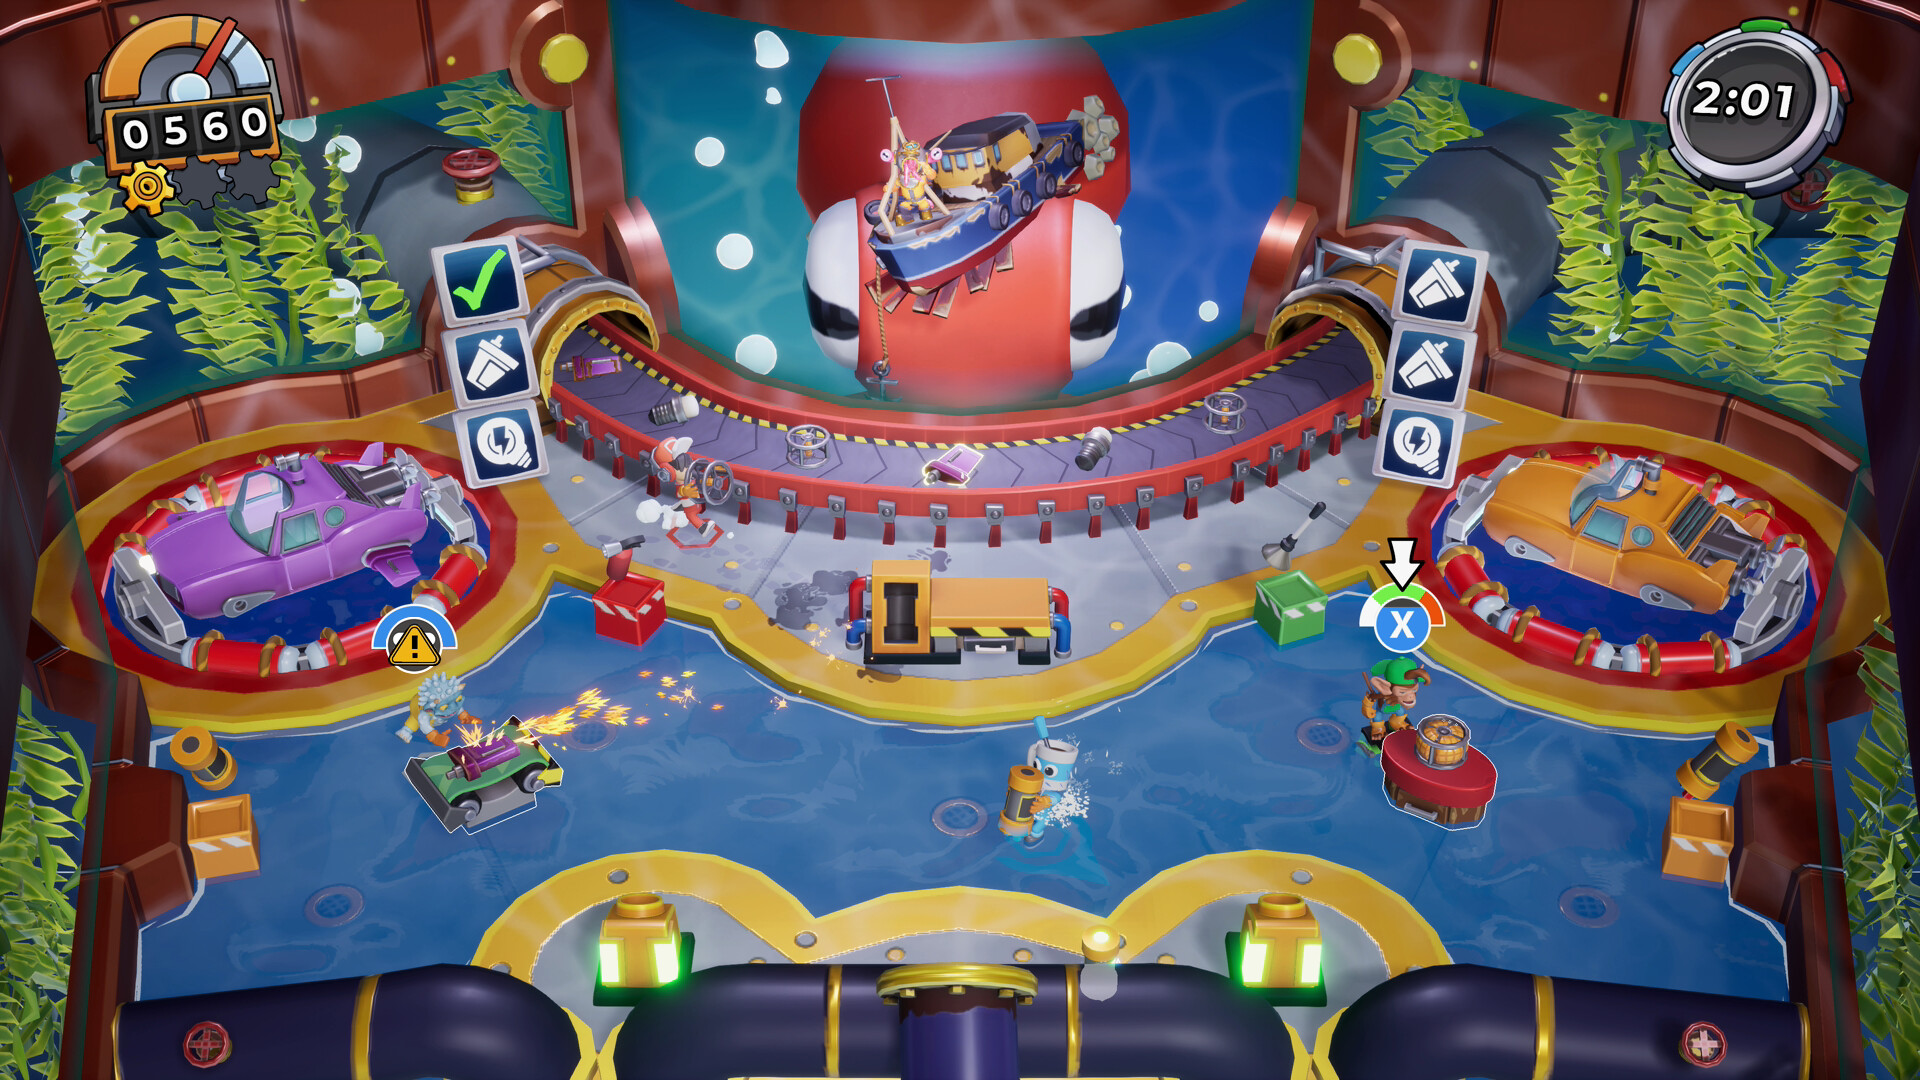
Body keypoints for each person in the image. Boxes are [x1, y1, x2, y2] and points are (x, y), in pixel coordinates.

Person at [1361, 656, 1430, 751]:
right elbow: (1371, 698)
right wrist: (1367, 706)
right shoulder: (1383, 694)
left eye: (1414, 690)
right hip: (1383, 708)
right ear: (1384, 687)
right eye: (1402, 692)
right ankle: (1378, 729)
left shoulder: (1398, 697)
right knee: (1377, 716)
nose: (1410, 697)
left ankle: (1397, 722)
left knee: (1400, 712)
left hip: (1397, 707)